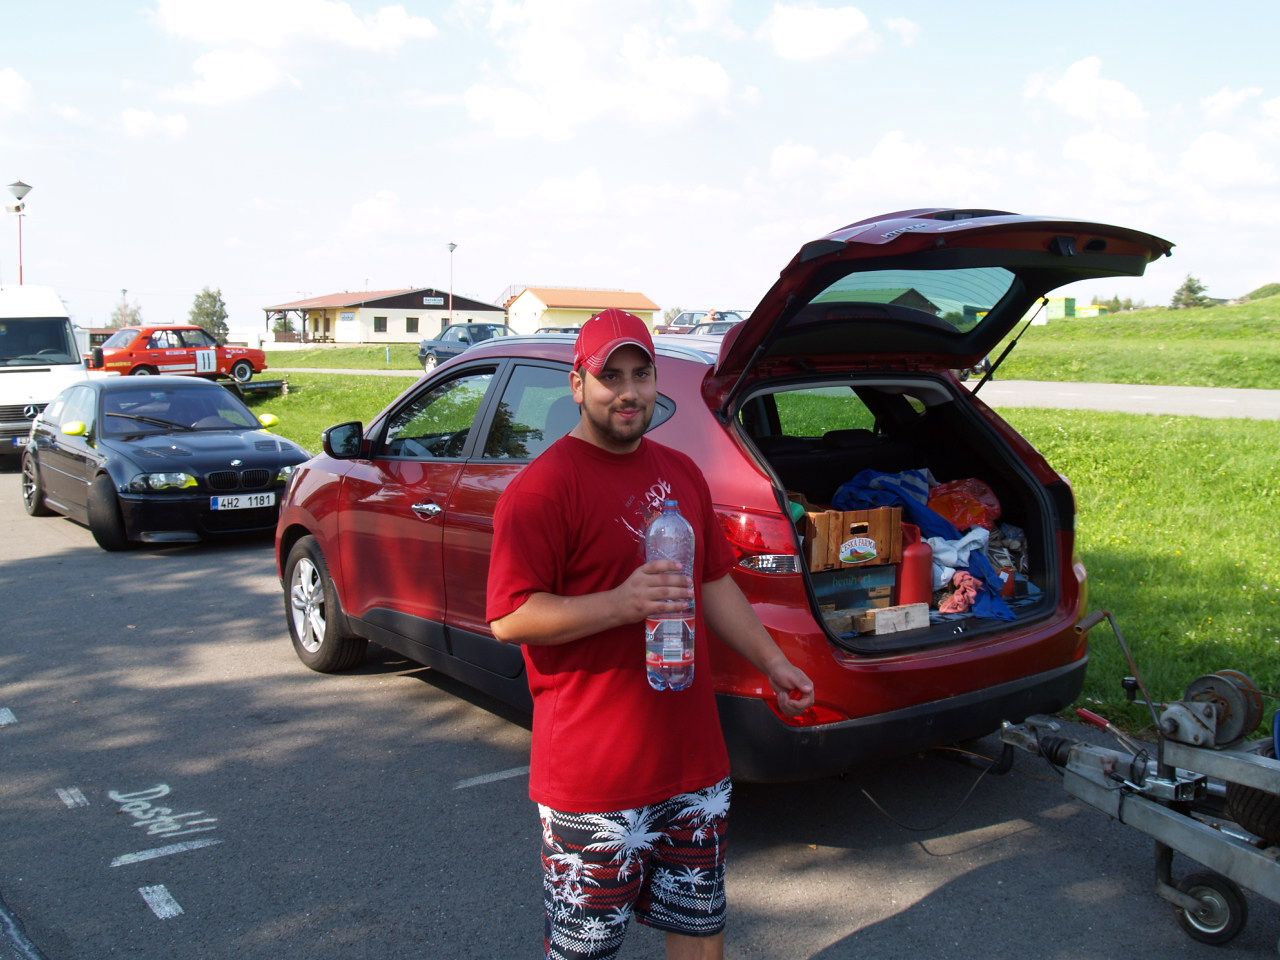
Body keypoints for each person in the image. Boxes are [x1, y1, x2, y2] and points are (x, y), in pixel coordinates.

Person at [487, 308, 815, 960]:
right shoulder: (542, 489)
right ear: (577, 384)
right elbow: (510, 617)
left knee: (700, 931)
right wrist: (620, 604)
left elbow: (713, 581)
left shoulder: (682, 472)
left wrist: (773, 662)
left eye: (641, 374)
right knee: (584, 951)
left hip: (692, 764)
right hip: (593, 778)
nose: (629, 391)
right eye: (610, 377)